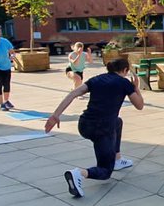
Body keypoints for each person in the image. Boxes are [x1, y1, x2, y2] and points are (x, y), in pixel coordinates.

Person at [46, 58, 144, 198]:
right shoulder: (124, 83)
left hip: (85, 124)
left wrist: (55, 115)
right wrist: (136, 88)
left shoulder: (97, 79)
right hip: (103, 129)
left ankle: (116, 159)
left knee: (118, 122)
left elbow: (73, 94)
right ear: (125, 71)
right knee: (105, 171)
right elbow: (139, 105)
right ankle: (79, 174)